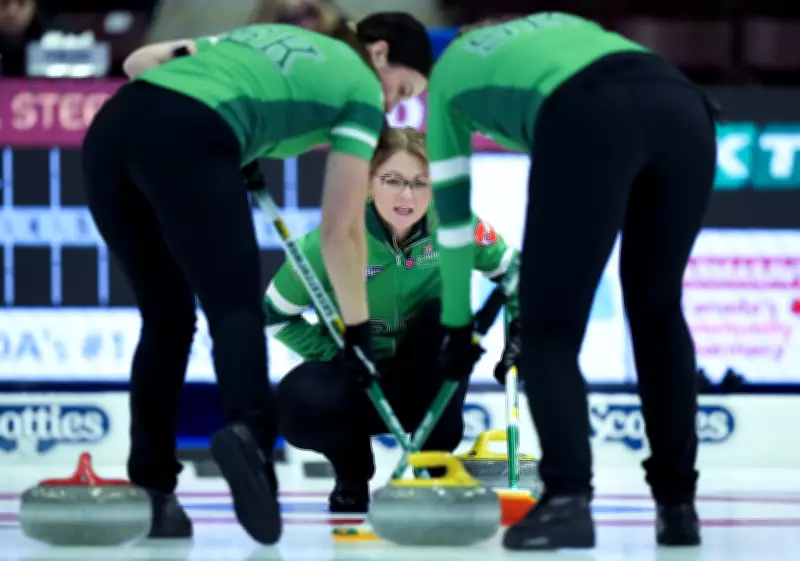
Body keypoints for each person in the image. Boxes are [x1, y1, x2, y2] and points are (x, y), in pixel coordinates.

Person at [81, 13, 432, 544]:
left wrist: (238, 141)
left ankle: (155, 495)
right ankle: (250, 435)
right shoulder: (361, 91)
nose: (392, 105)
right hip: (195, 133)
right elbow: (342, 231)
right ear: (379, 53)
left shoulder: (274, 36)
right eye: (401, 89)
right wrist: (357, 331)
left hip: (111, 130)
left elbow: (139, 62)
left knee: (167, 319)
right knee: (235, 306)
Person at [425, 13, 719, 550]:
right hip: (684, 105)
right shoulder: (559, 25)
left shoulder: (450, 72)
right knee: (657, 310)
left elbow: (452, 220)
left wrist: (455, 323)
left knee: (548, 331)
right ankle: (678, 507)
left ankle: (566, 501)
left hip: (589, 108)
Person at [263, 127, 521, 512]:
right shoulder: (329, 242)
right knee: (298, 401)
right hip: (357, 380)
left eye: (421, 183)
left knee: (440, 319)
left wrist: (520, 335)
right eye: (393, 180)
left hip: (427, 373)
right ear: (368, 184)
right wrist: (337, 352)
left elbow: (515, 276)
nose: (408, 195)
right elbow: (274, 317)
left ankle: (435, 466)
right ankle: (351, 473)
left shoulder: (456, 225)